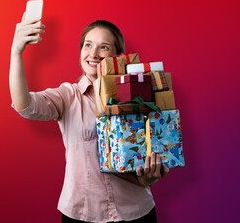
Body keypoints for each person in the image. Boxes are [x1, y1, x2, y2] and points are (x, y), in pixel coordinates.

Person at [9, 12, 169, 222]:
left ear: (118, 55)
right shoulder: (68, 96)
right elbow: (25, 105)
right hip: (82, 214)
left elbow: (151, 151)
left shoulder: (139, 95)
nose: (93, 53)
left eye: (103, 47)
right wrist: (16, 52)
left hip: (135, 212)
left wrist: (149, 176)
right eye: (88, 45)